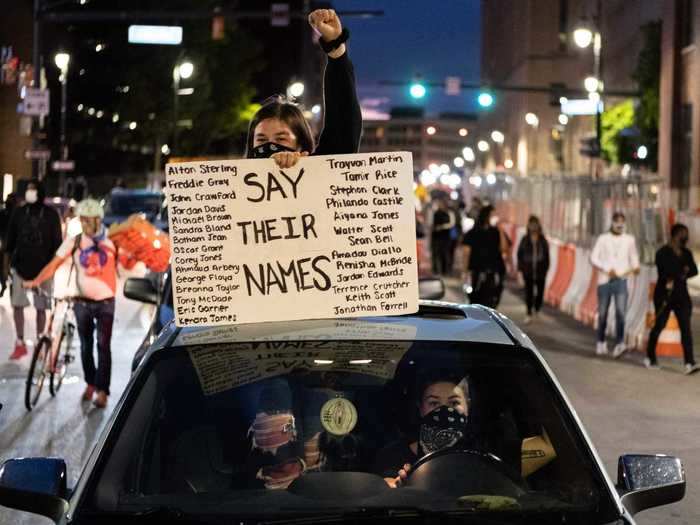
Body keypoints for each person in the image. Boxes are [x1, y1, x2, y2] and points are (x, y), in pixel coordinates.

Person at [23, 199, 118, 408]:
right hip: (81, 302)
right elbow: (54, 264)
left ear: (98, 219)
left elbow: (129, 258)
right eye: (82, 219)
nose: (85, 224)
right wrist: (37, 281)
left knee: (103, 346)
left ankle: (103, 391)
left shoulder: (112, 238)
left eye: (89, 220)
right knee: (85, 346)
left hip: (106, 302)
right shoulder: (74, 241)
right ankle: (90, 383)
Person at [244, 9, 361, 168]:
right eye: (261, 140)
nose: (271, 149)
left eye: (281, 139)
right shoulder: (234, 185)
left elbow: (343, 130)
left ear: (301, 144)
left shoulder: (318, 173)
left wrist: (336, 49)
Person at [374, 372, 471, 487]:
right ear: (420, 408)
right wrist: (398, 485)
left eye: (454, 402)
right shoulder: (393, 454)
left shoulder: (479, 455)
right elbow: (387, 483)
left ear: (468, 406)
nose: (444, 410)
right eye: (434, 403)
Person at [5, 180, 63, 360]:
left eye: (33, 189)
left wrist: (52, 268)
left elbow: (57, 245)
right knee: (17, 305)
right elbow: (10, 241)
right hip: (20, 268)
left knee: (41, 308)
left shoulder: (51, 214)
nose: (30, 192)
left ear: (40, 191)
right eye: (28, 189)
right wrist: (7, 266)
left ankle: (40, 344)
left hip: (43, 270)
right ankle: (20, 343)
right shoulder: (19, 212)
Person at [645, 223, 699, 374]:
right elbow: (666, 272)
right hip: (665, 296)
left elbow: (693, 270)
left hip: (682, 296)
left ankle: (689, 362)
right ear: (675, 235)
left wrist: (683, 272)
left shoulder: (687, 253)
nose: (686, 237)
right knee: (659, 326)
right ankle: (650, 356)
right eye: (683, 234)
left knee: (686, 329)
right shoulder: (662, 253)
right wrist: (683, 271)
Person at [590, 212, 640, 358]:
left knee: (620, 313)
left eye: (622, 222)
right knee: (603, 314)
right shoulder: (603, 238)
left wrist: (636, 266)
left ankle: (619, 344)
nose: (619, 224)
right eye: (617, 221)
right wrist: (606, 269)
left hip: (621, 281)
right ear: (612, 222)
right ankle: (600, 342)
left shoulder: (629, 240)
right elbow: (593, 257)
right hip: (604, 281)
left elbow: (634, 257)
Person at [461, 205, 508, 308]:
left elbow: (504, 249)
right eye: (493, 215)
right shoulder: (473, 232)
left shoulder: (496, 232)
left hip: (493, 272)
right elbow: (466, 253)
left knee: (491, 301)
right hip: (477, 272)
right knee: (476, 300)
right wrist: (465, 271)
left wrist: (500, 230)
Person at [517, 215, 550, 324]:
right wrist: (520, 269)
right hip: (528, 271)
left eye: (535, 223)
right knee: (529, 292)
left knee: (540, 292)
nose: (533, 226)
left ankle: (537, 308)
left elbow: (546, 255)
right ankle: (529, 313)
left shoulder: (542, 240)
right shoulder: (525, 239)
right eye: (531, 224)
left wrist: (546, 268)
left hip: (540, 271)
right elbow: (520, 254)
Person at [0, 192, 19, 297]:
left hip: (14, 248)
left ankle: (12, 288)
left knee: (12, 269)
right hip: (5, 246)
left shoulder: (18, 214)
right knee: (3, 268)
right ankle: (4, 285)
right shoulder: (4, 213)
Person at [430, 199, 455, 275]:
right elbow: (431, 224)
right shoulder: (435, 213)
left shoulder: (449, 213)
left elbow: (451, 224)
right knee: (436, 254)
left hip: (445, 237)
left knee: (445, 254)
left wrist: (441, 227)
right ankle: (436, 270)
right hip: (436, 236)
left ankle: (445, 270)